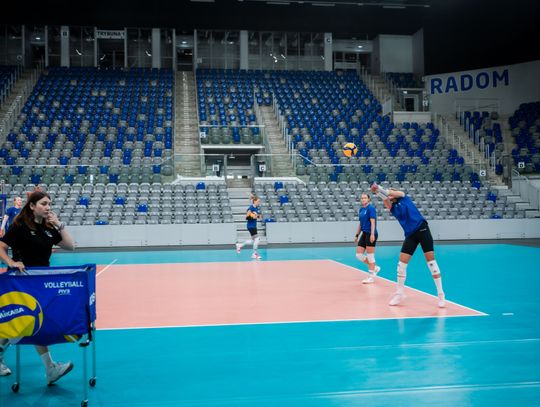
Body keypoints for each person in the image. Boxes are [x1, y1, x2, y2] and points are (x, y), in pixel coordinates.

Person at [0, 191, 76, 384]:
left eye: (49, 203)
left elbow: (71, 246)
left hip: (41, 282)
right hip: (21, 281)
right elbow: (1, 247)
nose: (48, 207)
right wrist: (11, 262)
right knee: (30, 320)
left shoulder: (48, 228)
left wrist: (59, 224)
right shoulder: (20, 226)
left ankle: (49, 369)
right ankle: (50, 368)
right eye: (43, 203)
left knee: (27, 322)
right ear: (32, 206)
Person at [371, 183, 446, 308]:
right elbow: (385, 197)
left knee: (431, 263)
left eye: (392, 192)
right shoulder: (392, 207)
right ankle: (399, 294)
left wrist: (378, 188)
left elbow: (389, 193)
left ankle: (441, 295)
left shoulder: (403, 196)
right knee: (401, 266)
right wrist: (377, 192)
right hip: (410, 235)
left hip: (422, 230)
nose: (390, 194)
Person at [354, 193, 381, 284]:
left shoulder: (371, 208)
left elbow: (373, 222)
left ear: (368, 199)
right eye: (362, 198)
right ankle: (375, 267)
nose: (363, 199)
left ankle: (371, 277)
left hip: (371, 233)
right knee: (359, 255)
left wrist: (372, 234)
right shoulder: (361, 209)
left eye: (365, 198)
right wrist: (357, 235)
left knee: (370, 256)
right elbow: (360, 224)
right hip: (364, 233)